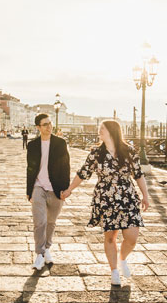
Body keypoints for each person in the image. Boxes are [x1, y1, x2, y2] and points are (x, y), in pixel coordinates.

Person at [62, 119, 149, 287]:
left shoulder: (129, 151)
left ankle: (122, 259)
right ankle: (114, 271)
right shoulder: (96, 153)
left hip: (127, 197)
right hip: (105, 198)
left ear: (112, 131)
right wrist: (69, 189)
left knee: (131, 238)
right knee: (110, 237)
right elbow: (83, 173)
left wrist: (145, 195)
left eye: (102, 128)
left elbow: (138, 175)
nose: (99, 131)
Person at [26, 113, 70, 270]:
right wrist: (28, 190)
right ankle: (39, 254)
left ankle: (47, 249)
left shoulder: (60, 143)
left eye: (50, 123)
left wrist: (65, 189)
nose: (49, 126)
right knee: (39, 222)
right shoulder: (32, 145)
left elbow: (66, 166)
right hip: (38, 187)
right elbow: (30, 168)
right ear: (38, 127)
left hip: (56, 188)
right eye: (45, 124)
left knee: (51, 222)